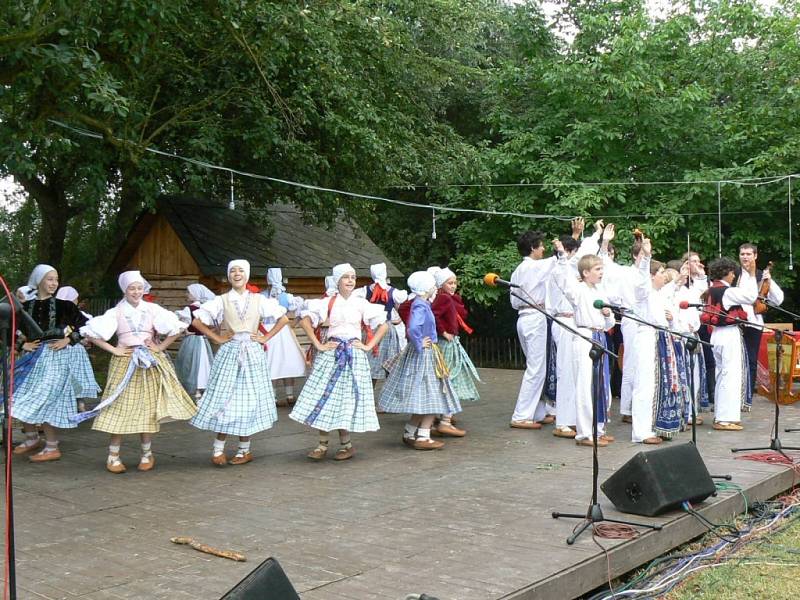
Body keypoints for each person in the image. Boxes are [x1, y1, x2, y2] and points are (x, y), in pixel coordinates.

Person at [79, 270, 197, 473]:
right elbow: (91, 333)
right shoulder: (116, 312)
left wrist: (160, 347)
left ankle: (146, 453)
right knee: (119, 406)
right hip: (125, 361)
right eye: (131, 288)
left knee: (148, 407)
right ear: (125, 290)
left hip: (149, 362)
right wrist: (114, 349)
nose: (136, 292)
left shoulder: (152, 309)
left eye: (139, 288)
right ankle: (113, 455)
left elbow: (177, 328)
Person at [189, 260, 290, 465]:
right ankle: (218, 449)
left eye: (241, 271)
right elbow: (197, 320)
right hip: (231, 351)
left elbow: (284, 318)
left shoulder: (258, 300)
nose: (237, 274)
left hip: (252, 353)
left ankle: (244, 450)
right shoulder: (222, 300)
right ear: (228, 276)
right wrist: (217, 338)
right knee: (225, 397)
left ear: (247, 275)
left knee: (249, 400)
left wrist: (264, 337)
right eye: (233, 271)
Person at [289, 263, 388, 461]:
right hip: (332, 353)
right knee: (323, 395)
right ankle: (322, 443)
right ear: (337, 280)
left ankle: (346, 444)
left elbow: (383, 325)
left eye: (352, 277)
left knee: (345, 398)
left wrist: (368, 346)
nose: (350, 280)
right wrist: (318, 344)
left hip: (353, 353)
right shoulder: (328, 302)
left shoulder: (361, 303)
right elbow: (304, 320)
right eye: (345, 277)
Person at [9, 265, 97, 462]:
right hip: (33, 359)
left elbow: (86, 325)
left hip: (55, 357)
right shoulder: (26, 308)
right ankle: (32, 438)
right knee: (20, 395)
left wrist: (69, 339)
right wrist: (24, 343)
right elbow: (10, 328)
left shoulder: (64, 305)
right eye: (49, 279)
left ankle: (51, 446)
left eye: (56, 279)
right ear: (39, 280)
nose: (54, 283)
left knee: (47, 398)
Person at [379, 271, 461, 450]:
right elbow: (413, 327)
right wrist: (419, 342)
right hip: (426, 354)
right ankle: (423, 436)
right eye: (432, 286)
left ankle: (410, 432)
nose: (434, 289)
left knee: (424, 396)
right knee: (434, 396)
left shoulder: (420, 304)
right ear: (425, 288)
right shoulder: (421, 305)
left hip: (426, 352)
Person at [552, 240, 616, 446]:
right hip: (584, 337)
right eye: (597, 269)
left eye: (601, 269)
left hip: (599, 337)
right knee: (584, 385)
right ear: (586, 273)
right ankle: (584, 433)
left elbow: (610, 323)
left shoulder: (600, 292)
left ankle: (597, 428)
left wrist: (607, 315)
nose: (601, 273)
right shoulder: (578, 290)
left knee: (600, 383)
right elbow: (562, 281)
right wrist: (562, 256)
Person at [508, 230, 560, 430]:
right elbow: (557, 261)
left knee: (536, 366)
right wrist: (561, 249)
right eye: (541, 245)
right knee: (536, 368)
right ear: (533, 248)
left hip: (523, 316)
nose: (544, 249)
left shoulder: (518, 269)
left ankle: (538, 411)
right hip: (534, 316)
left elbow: (514, 301)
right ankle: (521, 415)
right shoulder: (533, 267)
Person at [703, 257, 758, 430]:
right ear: (726, 272)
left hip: (717, 335)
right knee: (730, 375)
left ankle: (721, 414)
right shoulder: (727, 291)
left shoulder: (712, 289)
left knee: (722, 374)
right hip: (727, 334)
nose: (734, 276)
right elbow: (751, 296)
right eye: (733, 272)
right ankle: (725, 418)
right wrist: (750, 274)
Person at [430, 267, 480, 437]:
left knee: (449, 380)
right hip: (446, 343)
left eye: (454, 282)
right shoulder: (443, 299)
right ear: (441, 285)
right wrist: (443, 332)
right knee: (450, 380)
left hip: (451, 343)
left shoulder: (449, 299)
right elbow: (433, 316)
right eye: (449, 283)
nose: (453, 286)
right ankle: (444, 420)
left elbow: (460, 314)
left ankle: (443, 417)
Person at [737, 243, 784, 394]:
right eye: (742, 254)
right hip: (734, 323)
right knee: (734, 361)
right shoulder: (733, 274)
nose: (745, 257)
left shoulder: (760, 276)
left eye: (748, 254)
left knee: (751, 360)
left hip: (753, 323)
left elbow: (778, 300)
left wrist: (769, 281)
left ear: (755, 256)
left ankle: (747, 395)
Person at [354, 263, 408, 383]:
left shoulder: (364, 291)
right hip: (387, 329)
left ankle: (368, 393)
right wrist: (398, 319)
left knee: (369, 362)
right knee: (390, 363)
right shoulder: (393, 292)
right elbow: (402, 309)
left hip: (369, 330)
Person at [262, 268, 306, 406]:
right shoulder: (286, 297)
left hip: (270, 330)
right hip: (281, 330)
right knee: (281, 361)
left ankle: (276, 396)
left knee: (274, 362)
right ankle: (289, 394)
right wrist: (294, 322)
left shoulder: (262, 296)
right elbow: (302, 308)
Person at [55, 285, 101, 412]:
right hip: (72, 350)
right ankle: (78, 405)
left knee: (67, 378)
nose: (76, 302)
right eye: (75, 299)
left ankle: (75, 405)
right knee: (75, 378)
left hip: (62, 350)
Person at [174, 283, 217, 399]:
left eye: (188, 292)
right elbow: (213, 325)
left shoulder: (189, 309)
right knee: (203, 364)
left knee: (190, 364)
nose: (186, 294)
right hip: (203, 340)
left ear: (195, 294)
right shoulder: (205, 309)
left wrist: (186, 331)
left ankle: (194, 390)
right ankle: (201, 389)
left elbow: (180, 324)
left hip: (191, 341)